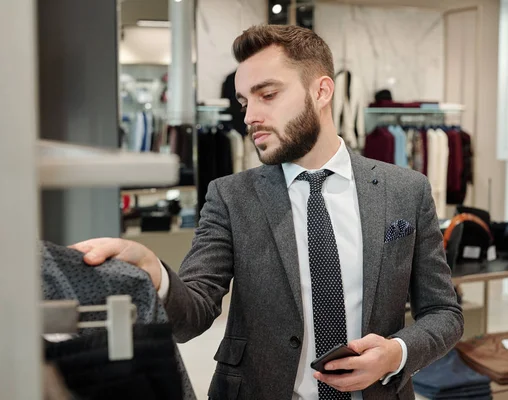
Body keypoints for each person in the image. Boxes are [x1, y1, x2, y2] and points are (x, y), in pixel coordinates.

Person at [72, 25, 463, 400]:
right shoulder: (230, 196)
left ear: (322, 91)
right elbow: (193, 314)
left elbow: (444, 312)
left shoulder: (405, 190)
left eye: (267, 95)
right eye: (244, 101)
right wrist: (155, 272)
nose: (249, 116)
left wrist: (397, 352)